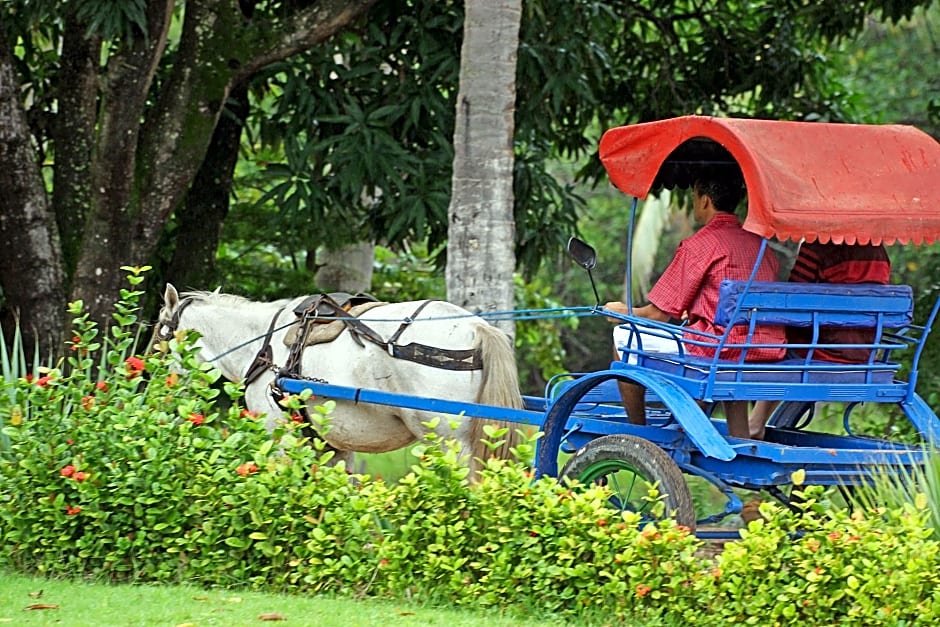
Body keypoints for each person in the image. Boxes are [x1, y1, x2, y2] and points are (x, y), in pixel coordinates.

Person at [605, 168, 786, 438]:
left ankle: (637, 433)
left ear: (704, 200)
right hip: (759, 351)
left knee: (623, 337)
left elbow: (657, 315)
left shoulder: (700, 246)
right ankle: (741, 440)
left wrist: (620, 312)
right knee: (730, 343)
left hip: (717, 353)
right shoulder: (762, 247)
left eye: (694, 195)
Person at [747, 241, 891, 438]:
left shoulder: (818, 247)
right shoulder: (877, 250)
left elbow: (795, 299)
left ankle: (756, 421)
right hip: (865, 351)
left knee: (775, 340)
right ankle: (757, 421)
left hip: (822, 351)